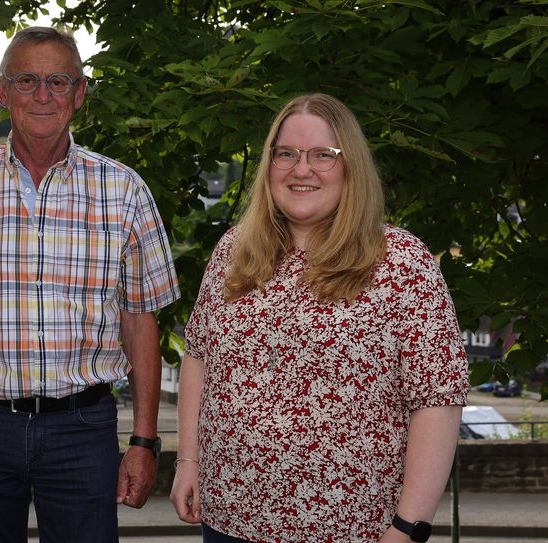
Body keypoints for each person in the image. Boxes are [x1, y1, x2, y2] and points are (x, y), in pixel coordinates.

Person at [0, 26, 180, 543]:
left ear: (79, 94)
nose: (43, 95)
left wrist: (144, 441)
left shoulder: (124, 191)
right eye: (27, 80)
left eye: (59, 81)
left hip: (81, 429)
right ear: (2, 91)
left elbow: (140, 321)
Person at [170, 93, 470, 543]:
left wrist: (408, 527)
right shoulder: (234, 250)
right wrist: (187, 463)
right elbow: (199, 357)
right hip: (229, 518)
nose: (301, 169)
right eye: (285, 153)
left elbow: (437, 400)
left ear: (351, 166)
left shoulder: (402, 263)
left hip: (350, 529)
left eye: (323, 155)